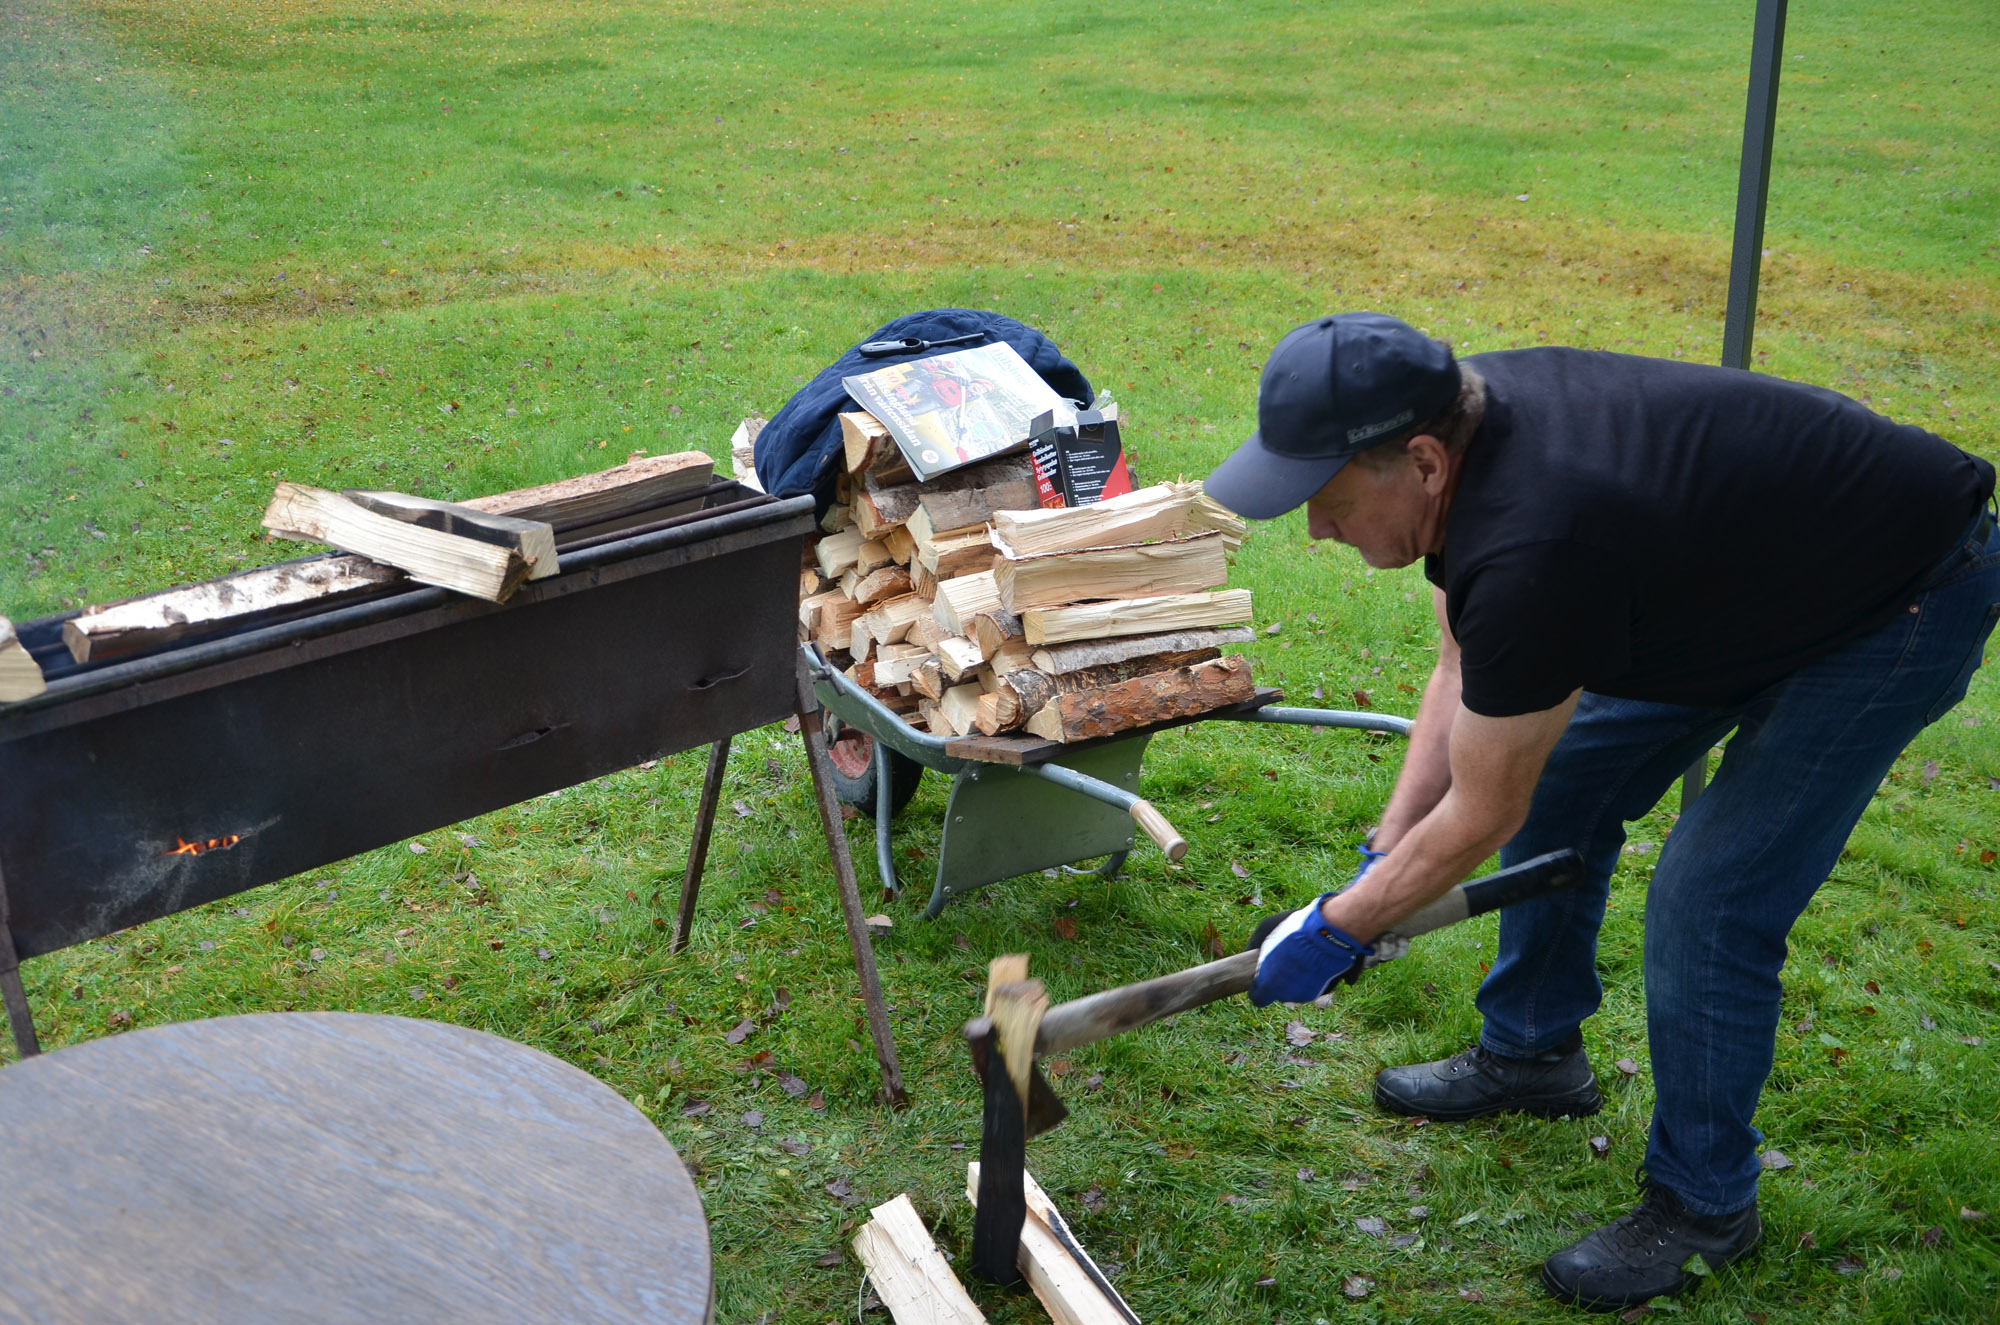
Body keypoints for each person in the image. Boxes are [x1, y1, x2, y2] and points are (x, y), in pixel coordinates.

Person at [1205, 313, 1998, 1312]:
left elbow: (1486, 805)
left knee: (1708, 902)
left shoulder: (1537, 535)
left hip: (1896, 598)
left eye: (1323, 499)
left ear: (1418, 461)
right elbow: (1461, 664)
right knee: (1564, 795)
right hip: (1722, 588)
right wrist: (1385, 853)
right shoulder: (1459, 425)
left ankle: (1703, 1202)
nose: (1315, 528)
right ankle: (1532, 1050)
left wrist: (1340, 924)